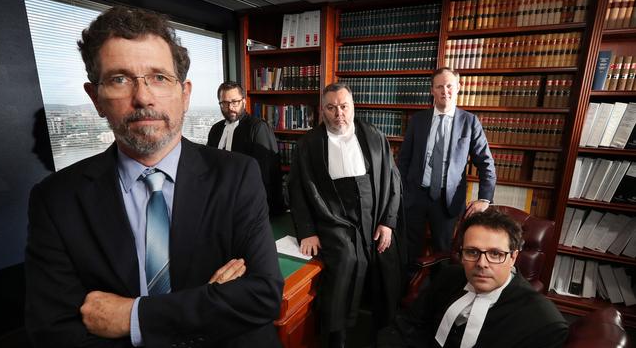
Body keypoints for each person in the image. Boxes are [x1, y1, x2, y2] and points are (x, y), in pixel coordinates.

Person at [25, 6, 284, 348]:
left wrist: (132, 317)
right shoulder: (55, 199)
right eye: (119, 79)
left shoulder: (237, 175)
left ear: (185, 94)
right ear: (96, 98)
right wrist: (211, 300)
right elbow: (54, 332)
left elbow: (263, 295)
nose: (143, 97)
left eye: (159, 77)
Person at [289, 82, 404, 348]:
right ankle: (336, 338)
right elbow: (297, 189)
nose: (338, 113)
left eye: (344, 106)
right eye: (331, 107)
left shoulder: (373, 136)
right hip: (334, 219)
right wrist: (307, 231)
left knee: (385, 266)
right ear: (322, 111)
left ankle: (384, 336)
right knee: (345, 262)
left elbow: (393, 182)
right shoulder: (309, 143)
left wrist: (388, 223)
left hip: (374, 217)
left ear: (353, 107)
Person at [377, 208, 569, 348]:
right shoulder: (448, 276)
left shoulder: (544, 322)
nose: (482, 263)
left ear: (513, 257)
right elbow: (408, 325)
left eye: (495, 254)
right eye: (472, 252)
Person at [399, 67, 496, 262]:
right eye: (440, 86)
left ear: (459, 88)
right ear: (432, 90)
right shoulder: (418, 120)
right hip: (414, 197)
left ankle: (438, 291)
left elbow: (486, 163)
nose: (445, 91)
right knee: (408, 251)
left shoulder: (470, 122)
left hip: (447, 200)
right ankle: (408, 290)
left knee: (444, 253)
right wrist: (399, 192)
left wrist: (485, 199)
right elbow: (403, 160)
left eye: (450, 86)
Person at [207, 81, 283, 215]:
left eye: (234, 102)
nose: (230, 107)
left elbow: (265, 175)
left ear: (244, 101)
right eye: (224, 103)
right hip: (221, 202)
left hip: (250, 205)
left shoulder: (258, 127)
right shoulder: (216, 129)